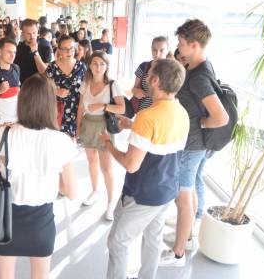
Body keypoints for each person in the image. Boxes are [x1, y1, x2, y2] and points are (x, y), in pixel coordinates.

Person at [0, 73, 77, 279]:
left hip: (6, 219)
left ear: (22, 101)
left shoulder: (4, 134)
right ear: (50, 103)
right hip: (42, 223)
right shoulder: (62, 141)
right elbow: (71, 192)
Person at [102, 59, 189, 279]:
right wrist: (132, 125)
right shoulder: (181, 112)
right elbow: (161, 140)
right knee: (153, 238)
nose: (145, 78)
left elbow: (131, 165)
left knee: (117, 242)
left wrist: (108, 145)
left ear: (156, 81)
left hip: (143, 194)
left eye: (148, 75)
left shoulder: (147, 116)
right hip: (168, 189)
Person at [159, 19, 229, 267]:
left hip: (192, 146)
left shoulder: (198, 77)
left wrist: (200, 124)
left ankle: (178, 253)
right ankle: (186, 238)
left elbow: (220, 117)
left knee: (183, 199)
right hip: (197, 146)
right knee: (191, 192)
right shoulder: (201, 65)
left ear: (194, 45)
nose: (178, 46)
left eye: (181, 43)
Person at [76, 51, 125, 220]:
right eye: (95, 63)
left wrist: (103, 106)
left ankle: (111, 202)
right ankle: (95, 190)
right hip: (88, 124)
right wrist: (77, 128)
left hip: (104, 126)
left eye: (102, 64)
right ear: (89, 65)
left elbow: (122, 108)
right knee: (91, 161)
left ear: (107, 66)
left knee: (107, 168)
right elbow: (80, 108)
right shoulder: (86, 83)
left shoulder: (113, 84)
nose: (98, 67)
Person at [46, 35, 86, 138]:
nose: (69, 52)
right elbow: (42, 88)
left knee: (71, 148)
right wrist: (55, 91)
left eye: (71, 48)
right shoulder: (52, 67)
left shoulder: (81, 67)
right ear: (59, 50)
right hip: (56, 113)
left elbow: (86, 91)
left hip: (76, 113)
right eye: (65, 49)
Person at [132, 36, 173, 112]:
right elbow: (134, 89)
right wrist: (136, 91)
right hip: (143, 112)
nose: (157, 54)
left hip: (161, 112)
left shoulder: (171, 70)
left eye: (161, 50)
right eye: (154, 50)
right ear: (151, 50)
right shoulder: (144, 66)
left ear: (167, 51)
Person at [0, 38, 20, 123]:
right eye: (9, 52)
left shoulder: (16, 68)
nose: (12, 55)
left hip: (16, 119)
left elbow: (18, 90)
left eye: (14, 52)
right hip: (0, 122)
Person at [15, 19, 52, 83]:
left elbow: (44, 73)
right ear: (23, 34)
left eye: (34, 33)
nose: (32, 36)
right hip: (24, 87)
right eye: (28, 34)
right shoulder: (17, 49)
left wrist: (35, 52)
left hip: (41, 87)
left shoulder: (46, 49)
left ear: (37, 32)